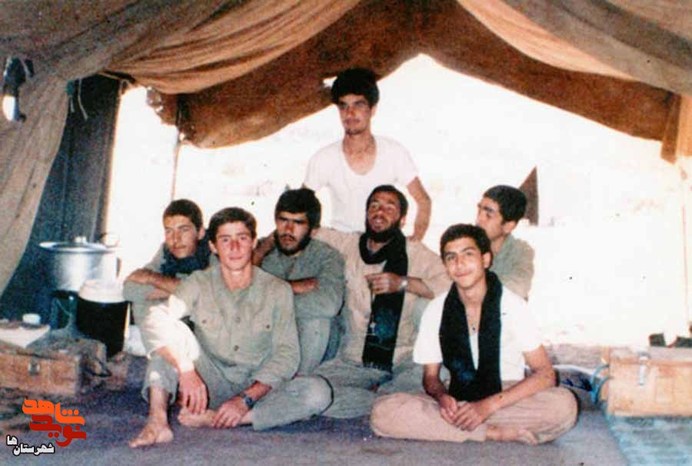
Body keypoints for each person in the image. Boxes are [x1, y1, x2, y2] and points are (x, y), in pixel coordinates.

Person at [129, 207, 331, 448]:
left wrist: (244, 400)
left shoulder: (278, 290)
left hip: (256, 387)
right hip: (208, 382)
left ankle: (230, 419)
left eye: (242, 238)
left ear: (253, 243)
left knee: (318, 392)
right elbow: (157, 317)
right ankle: (158, 423)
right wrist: (185, 369)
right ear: (213, 246)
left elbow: (286, 355)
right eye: (225, 240)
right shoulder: (199, 282)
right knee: (168, 340)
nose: (234, 248)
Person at [370, 224, 577, 444]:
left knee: (564, 406)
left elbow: (545, 374)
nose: (459, 264)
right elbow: (430, 378)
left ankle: (459, 427)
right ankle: (492, 432)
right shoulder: (436, 309)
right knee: (384, 412)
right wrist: (442, 397)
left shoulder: (512, 305)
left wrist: (486, 407)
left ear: (485, 260)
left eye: (468, 254)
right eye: (451, 257)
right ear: (446, 266)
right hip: (457, 394)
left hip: (505, 395)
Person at [310, 185, 450, 419]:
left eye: (389, 207)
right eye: (374, 206)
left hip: (403, 359)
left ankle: (372, 400)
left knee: (439, 375)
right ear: (366, 214)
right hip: (355, 360)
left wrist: (403, 283)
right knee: (311, 390)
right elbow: (306, 230)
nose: (379, 212)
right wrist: (263, 248)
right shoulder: (348, 244)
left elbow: (451, 284)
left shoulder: (416, 253)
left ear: (402, 220)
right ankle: (386, 401)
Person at [303, 67, 431, 241]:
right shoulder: (324, 158)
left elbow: (423, 201)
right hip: (341, 244)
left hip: (383, 243)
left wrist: (415, 239)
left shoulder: (394, 152)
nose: (350, 113)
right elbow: (299, 204)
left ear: (373, 109)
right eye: (344, 106)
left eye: (358, 105)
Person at [260, 188, 345, 375]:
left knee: (317, 320)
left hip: (311, 346)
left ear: (313, 230)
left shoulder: (327, 257)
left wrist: (270, 297)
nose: (288, 230)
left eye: (298, 223)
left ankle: (298, 381)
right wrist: (292, 287)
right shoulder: (263, 252)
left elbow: (328, 304)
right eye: (283, 220)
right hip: (270, 340)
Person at [123, 199, 212, 325]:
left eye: (184, 230)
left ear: (200, 233)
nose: (175, 239)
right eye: (169, 231)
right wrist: (179, 291)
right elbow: (129, 289)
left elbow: (209, 293)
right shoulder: (167, 250)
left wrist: (152, 278)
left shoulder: (216, 251)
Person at [476, 185, 534, 299]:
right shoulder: (466, 243)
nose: (478, 220)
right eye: (479, 211)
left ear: (508, 226)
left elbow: (517, 288)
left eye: (488, 215)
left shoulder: (521, 251)